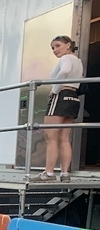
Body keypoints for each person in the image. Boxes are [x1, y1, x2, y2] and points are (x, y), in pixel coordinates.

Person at [33, 35, 84, 182]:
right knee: (64, 138)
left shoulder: (66, 59)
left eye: (57, 46)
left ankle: (49, 173)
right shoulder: (79, 61)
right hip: (73, 97)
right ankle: (65, 173)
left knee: (51, 137)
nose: (55, 50)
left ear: (68, 45)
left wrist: (55, 89)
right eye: (53, 48)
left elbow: (64, 71)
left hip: (61, 95)